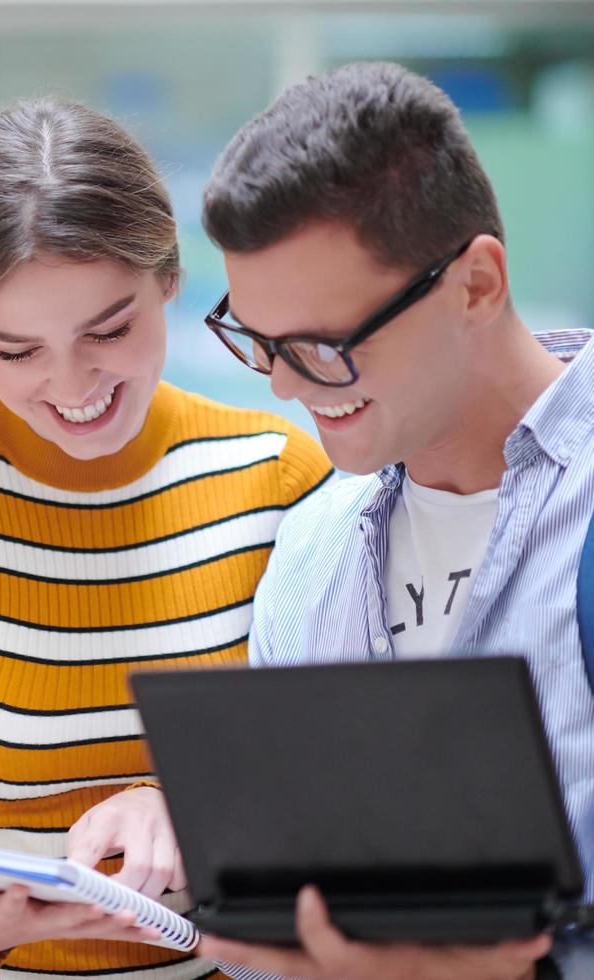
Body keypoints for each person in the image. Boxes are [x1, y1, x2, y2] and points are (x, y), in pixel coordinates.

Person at [0, 98, 334, 980]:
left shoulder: (277, 478)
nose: (71, 385)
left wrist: (189, 802)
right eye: (16, 351)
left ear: (169, 278)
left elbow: (325, 771)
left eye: (108, 330)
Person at [175, 61, 593, 980]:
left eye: (322, 348)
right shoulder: (310, 549)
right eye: (259, 342)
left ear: (477, 284)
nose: (284, 386)